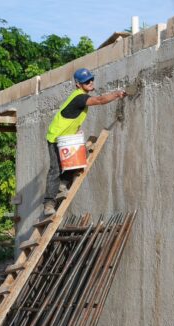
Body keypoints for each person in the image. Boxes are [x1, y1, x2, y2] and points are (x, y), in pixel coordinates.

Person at [42, 68, 126, 216]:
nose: (90, 82)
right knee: (55, 169)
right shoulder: (79, 97)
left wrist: (75, 131)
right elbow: (99, 100)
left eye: (91, 79)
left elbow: (72, 118)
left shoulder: (80, 98)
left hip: (67, 137)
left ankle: (62, 184)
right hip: (56, 137)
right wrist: (116, 94)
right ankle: (49, 204)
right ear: (78, 84)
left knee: (76, 160)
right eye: (86, 81)